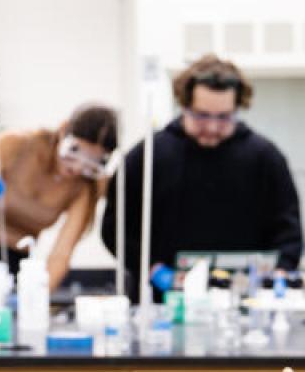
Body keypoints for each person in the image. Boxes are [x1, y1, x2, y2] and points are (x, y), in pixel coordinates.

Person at [102, 54, 303, 299]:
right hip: (161, 305)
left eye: (224, 117)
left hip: (245, 305)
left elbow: (288, 231)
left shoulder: (265, 158)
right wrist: (154, 269)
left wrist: (281, 272)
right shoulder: (148, 156)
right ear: (184, 104)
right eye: (201, 115)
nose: (212, 127)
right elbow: (116, 229)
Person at [0, 104, 118, 314]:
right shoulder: (14, 145)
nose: (77, 168)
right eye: (75, 152)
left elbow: (61, 254)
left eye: (92, 163)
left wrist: (36, 298)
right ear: (63, 130)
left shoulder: (84, 187)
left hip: (13, 266)